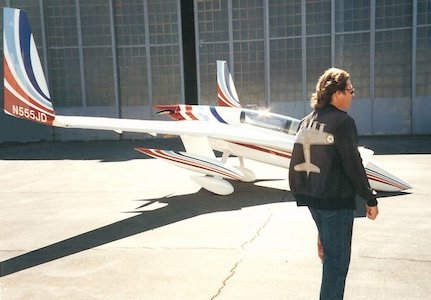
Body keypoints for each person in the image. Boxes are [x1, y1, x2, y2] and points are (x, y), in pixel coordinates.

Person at [288, 68, 379, 300]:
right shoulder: (342, 122)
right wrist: (369, 198)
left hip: (313, 201)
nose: (352, 95)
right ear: (336, 93)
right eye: (350, 90)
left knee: (330, 260)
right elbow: (353, 163)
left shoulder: (305, 122)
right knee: (336, 267)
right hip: (335, 203)